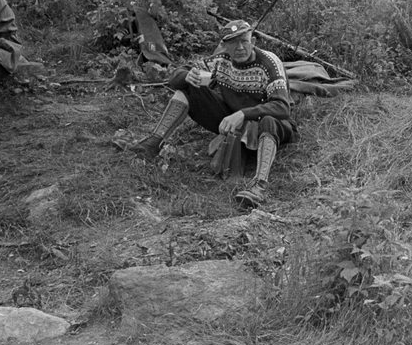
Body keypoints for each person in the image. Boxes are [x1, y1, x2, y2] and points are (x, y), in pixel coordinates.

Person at [115, 19, 295, 209]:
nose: (240, 47)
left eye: (244, 41)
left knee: (268, 119)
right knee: (189, 88)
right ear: (225, 45)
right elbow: (176, 76)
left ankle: (259, 185)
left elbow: (282, 107)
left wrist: (243, 114)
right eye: (233, 43)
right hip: (233, 123)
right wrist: (187, 75)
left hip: (270, 125)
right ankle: (153, 143)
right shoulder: (220, 60)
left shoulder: (269, 63)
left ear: (253, 41)